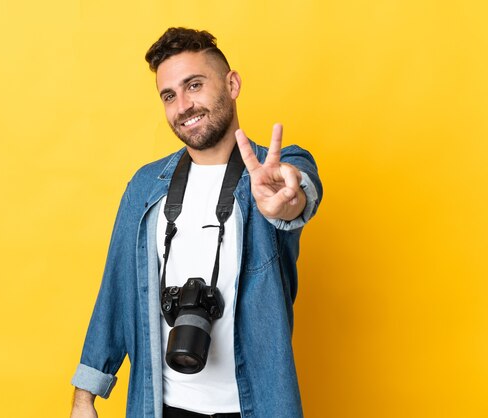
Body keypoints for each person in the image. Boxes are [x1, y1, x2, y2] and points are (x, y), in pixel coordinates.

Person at [70, 27, 322, 418]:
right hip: (161, 404)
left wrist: (285, 202)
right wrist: (85, 394)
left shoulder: (271, 173)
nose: (183, 105)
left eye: (195, 85)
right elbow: (116, 291)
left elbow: (297, 192)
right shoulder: (145, 187)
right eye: (169, 95)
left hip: (256, 405)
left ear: (232, 84)